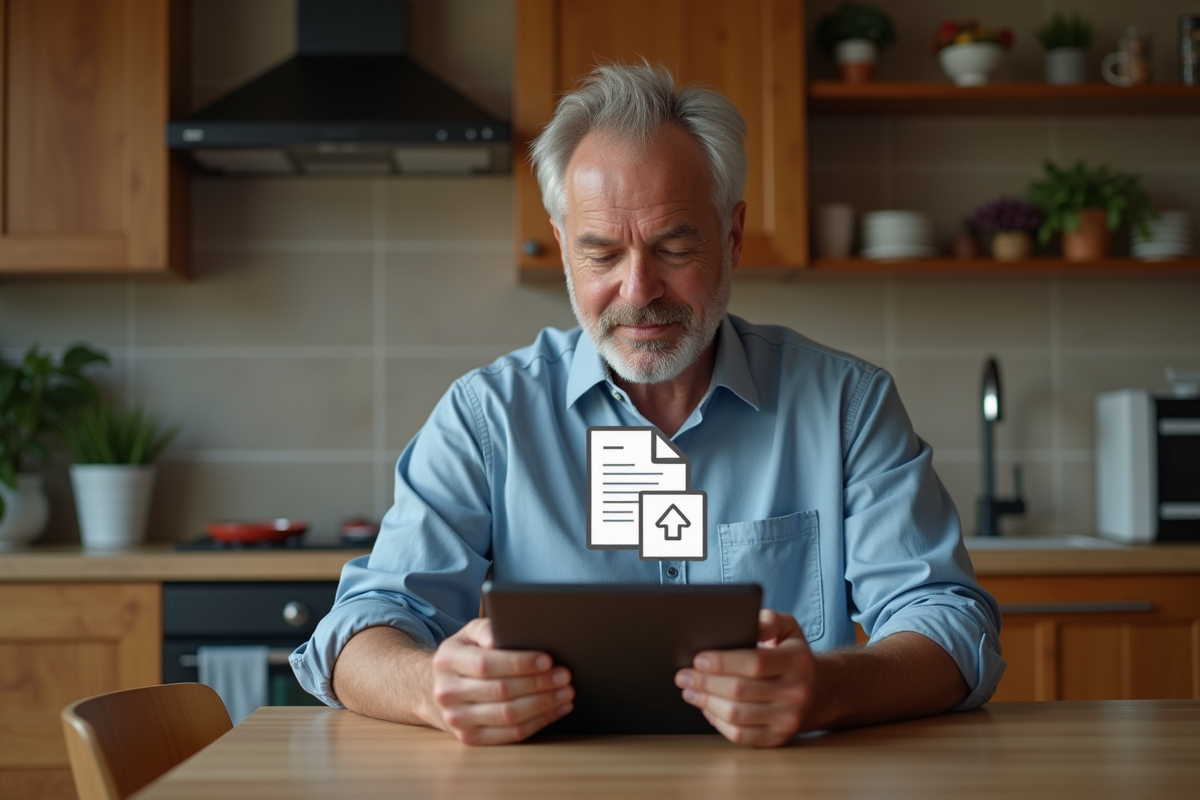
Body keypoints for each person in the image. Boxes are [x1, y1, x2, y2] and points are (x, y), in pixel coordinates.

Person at [292, 62, 1004, 748]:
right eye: (601, 253)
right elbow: (361, 630)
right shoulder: (487, 418)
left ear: (730, 235)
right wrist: (432, 686)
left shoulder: (847, 404)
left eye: (673, 246)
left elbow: (947, 623)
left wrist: (826, 687)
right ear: (564, 248)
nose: (639, 291)